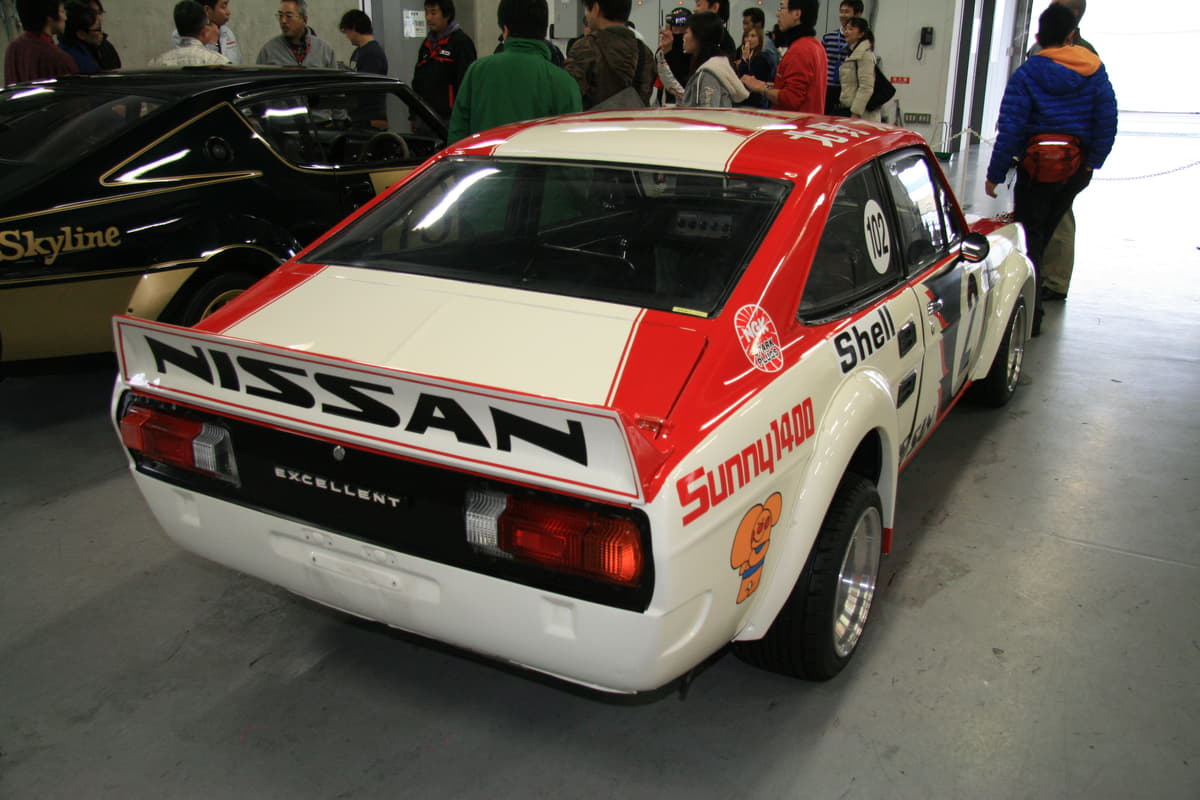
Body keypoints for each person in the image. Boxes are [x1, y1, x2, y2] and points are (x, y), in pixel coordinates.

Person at [984, 3, 1116, 335]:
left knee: (1030, 240)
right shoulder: (1094, 69)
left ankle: (1031, 318)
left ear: (1038, 37)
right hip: (1074, 170)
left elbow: (1011, 127)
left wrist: (995, 174)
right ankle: (1039, 304)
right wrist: (1092, 162)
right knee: (1048, 232)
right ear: (1072, 35)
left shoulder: (1027, 73)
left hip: (1035, 170)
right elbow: (1107, 120)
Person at [448, 0, 581, 143]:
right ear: (544, 29)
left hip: (483, 157)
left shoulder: (477, 72)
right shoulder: (564, 83)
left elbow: (457, 137)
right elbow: (572, 144)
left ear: (505, 30)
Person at [1034, 0, 1094, 302]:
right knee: (1041, 216)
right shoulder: (1043, 50)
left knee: (1060, 218)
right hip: (1042, 151)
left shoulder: (1084, 56)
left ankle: (1054, 281)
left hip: (1065, 152)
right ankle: (1040, 275)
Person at [564, 0, 654, 109]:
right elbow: (645, 96)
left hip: (595, 119)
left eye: (588, 9)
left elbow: (568, 97)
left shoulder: (586, 47)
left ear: (596, 8)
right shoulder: (645, 52)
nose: (587, 15)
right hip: (635, 119)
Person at [740, 0, 825, 112]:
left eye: (782, 8)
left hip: (795, 121)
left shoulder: (800, 50)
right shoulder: (816, 46)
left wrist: (761, 87)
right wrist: (763, 84)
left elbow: (791, 98)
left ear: (796, 14)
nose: (777, 13)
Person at [413, 0, 477, 124]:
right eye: (426, 12)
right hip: (425, 117)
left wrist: (463, 117)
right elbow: (417, 81)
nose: (428, 18)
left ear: (447, 14)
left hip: (449, 118)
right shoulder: (426, 44)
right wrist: (413, 114)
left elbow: (466, 84)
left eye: (433, 13)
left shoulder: (461, 42)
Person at [672, 11, 748, 106]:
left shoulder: (709, 74)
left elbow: (708, 111)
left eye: (686, 32)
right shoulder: (715, 67)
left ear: (699, 36)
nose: (684, 37)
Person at [5, 0, 77, 85]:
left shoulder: (14, 47)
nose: (65, 17)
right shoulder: (59, 59)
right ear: (49, 17)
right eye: (62, 11)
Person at [256, 0, 336, 67]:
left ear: (304, 19)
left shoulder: (324, 50)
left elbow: (334, 80)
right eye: (280, 15)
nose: (283, 21)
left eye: (289, 16)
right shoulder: (269, 50)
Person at [151, 0, 230, 65]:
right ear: (204, 31)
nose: (229, 12)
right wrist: (214, 44)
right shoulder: (219, 62)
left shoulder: (155, 63)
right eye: (224, 6)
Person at [171, 0, 239, 64]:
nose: (228, 12)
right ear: (207, 10)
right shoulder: (183, 34)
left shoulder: (227, 32)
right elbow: (193, 63)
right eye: (223, 7)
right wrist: (213, 44)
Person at [821, 0, 859, 114]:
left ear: (857, 15)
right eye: (841, 11)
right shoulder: (828, 37)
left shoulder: (859, 41)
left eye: (847, 12)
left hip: (848, 90)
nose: (843, 15)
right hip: (827, 88)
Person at [838, 15, 879, 120]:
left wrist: (855, 113)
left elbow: (866, 87)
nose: (846, 32)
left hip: (862, 114)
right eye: (846, 29)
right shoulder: (852, 52)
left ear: (861, 34)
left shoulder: (864, 55)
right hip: (850, 109)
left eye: (851, 29)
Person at [657, 6, 692, 104]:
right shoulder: (666, 44)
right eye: (673, 22)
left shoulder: (692, 47)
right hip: (670, 97)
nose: (677, 27)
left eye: (681, 23)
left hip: (688, 96)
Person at [734, 25, 772, 108]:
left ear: (759, 39)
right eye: (746, 36)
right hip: (743, 101)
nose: (749, 39)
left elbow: (747, 81)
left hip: (755, 103)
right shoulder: (742, 54)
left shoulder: (762, 58)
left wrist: (744, 61)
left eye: (753, 36)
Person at [59, 1, 102, 73]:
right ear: (81, 34)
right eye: (97, 30)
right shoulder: (81, 60)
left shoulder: (62, 49)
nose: (101, 33)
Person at [340, 9, 387, 74]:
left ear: (353, 28)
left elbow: (368, 79)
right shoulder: (358, 51)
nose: (347, 36)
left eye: (346, 31)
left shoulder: (373, 54)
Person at [741, 6, 777, 74]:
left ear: (758, 24)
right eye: (743, 23)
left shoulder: (765, 49)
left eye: (747, 23)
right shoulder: (749, 46)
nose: (744, 27)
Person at [86, 0, 120, 68]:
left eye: (99, 13)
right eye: (92, 13)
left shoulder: (105, 45)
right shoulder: (71, 48)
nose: (98, 18)